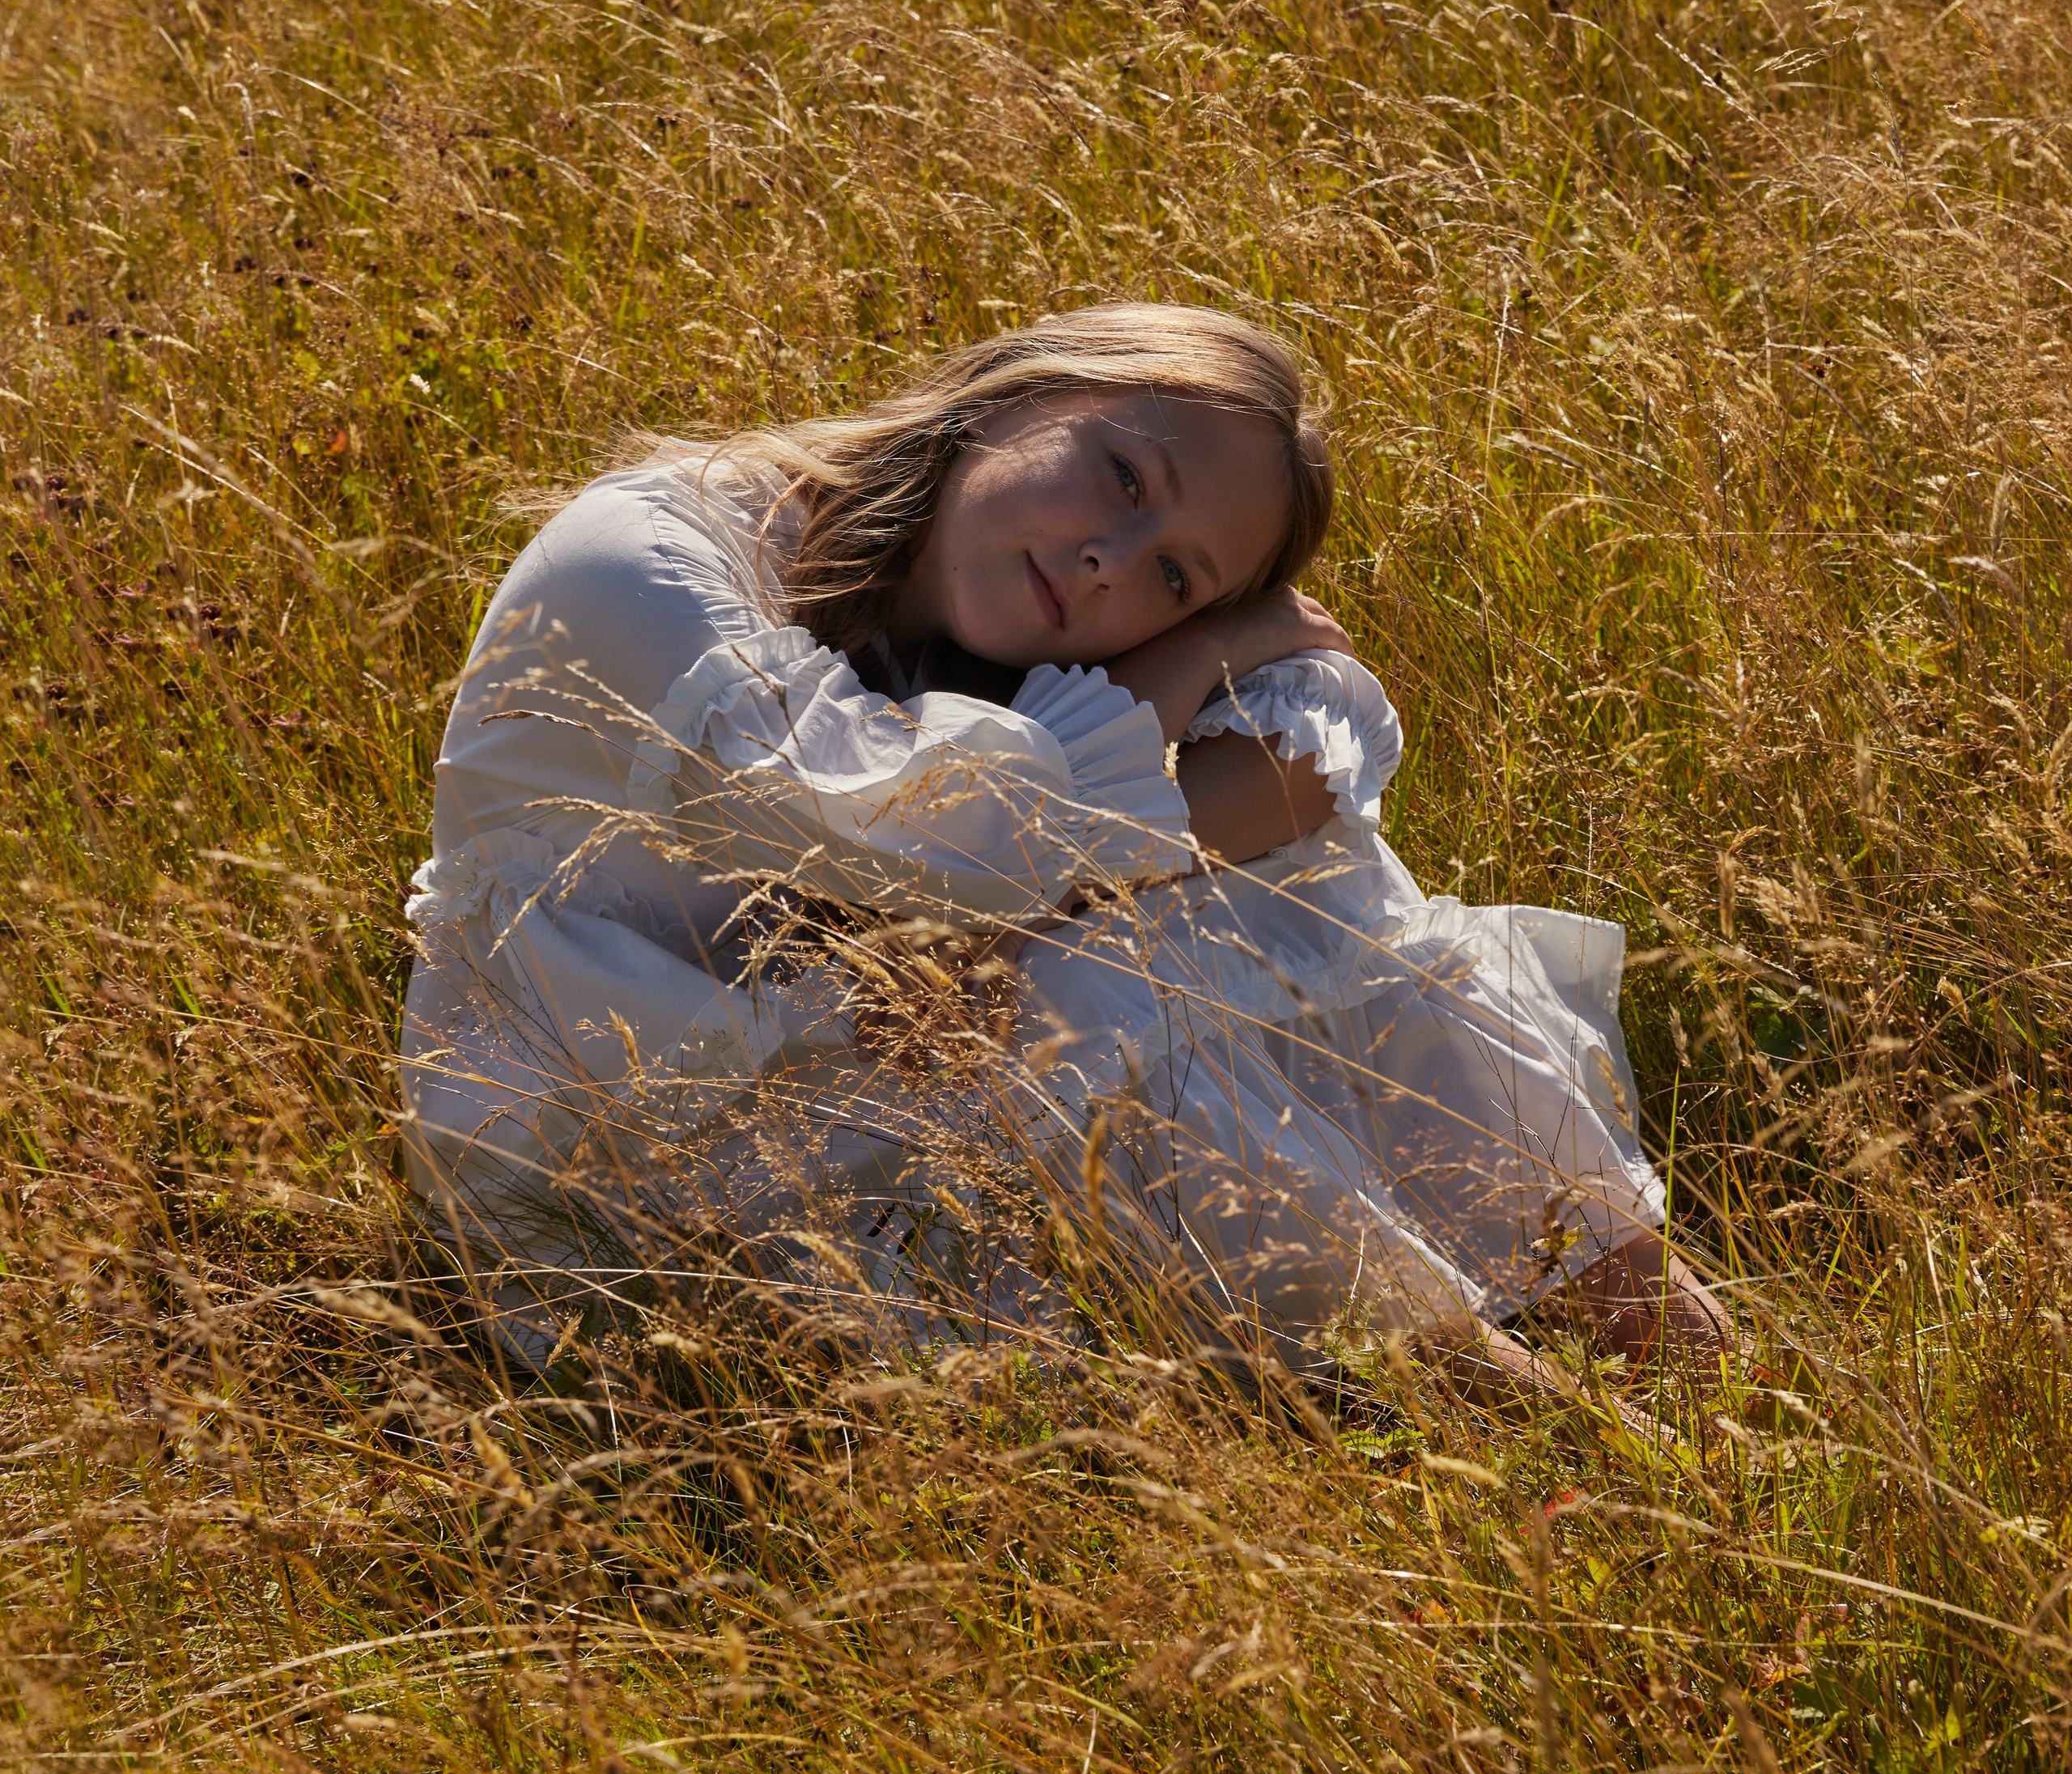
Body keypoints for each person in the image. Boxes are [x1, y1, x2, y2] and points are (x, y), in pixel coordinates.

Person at [400, 303, 1727, 1403]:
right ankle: (1501, 1411)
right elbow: (936, 842)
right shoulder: (646, 559)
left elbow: (1323, 741)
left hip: (865, 1055)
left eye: (1175, 578)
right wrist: (1206, 649)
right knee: (1093, 978)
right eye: (1126, 480)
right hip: (628, 1159)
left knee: (1294, 882)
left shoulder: (1011, 669)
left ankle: (1659, 1338)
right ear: (1012, 394)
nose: (1110, 558)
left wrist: (1034, 903)